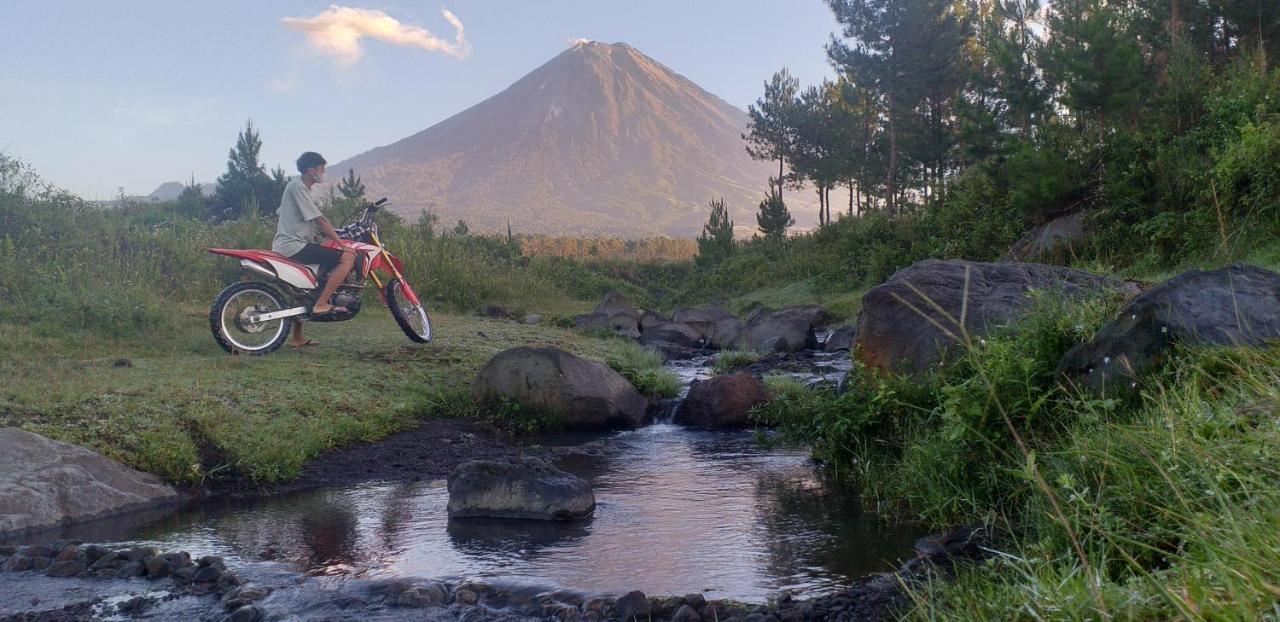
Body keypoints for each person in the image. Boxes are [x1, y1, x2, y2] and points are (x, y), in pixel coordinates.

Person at [272, 151, 356, 347]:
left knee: (305, 288)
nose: (324, 172)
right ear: (311, 170)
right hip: (293, 245)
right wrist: (343, 245)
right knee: (346, 259)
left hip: (292, 243)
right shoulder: (297, 187)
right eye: (322, 168)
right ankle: (321, 304)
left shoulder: (299, 188)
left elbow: (289, 214)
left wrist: (319, 235)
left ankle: (297, 337)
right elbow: (320, 220)